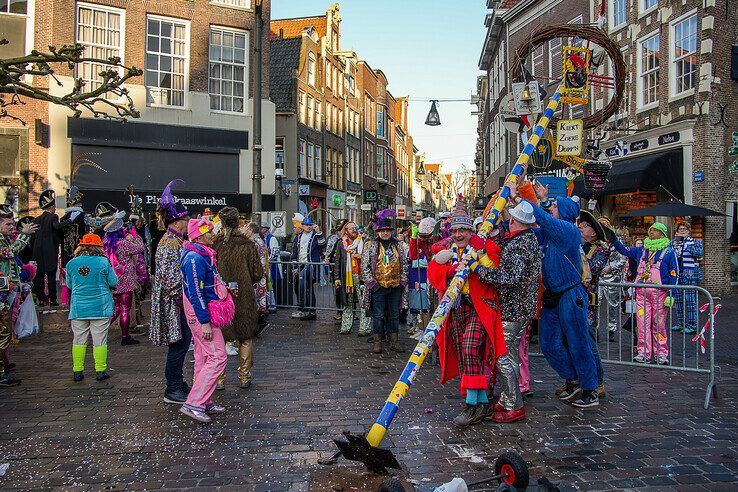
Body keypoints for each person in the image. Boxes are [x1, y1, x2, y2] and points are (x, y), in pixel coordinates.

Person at [515, 180, 601, 409]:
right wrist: (511, 217)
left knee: (578, 341)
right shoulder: (554, 233)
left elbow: (541, 219)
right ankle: (574, 379)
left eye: (555, 206)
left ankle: (590, 389)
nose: (551, 207)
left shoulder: (568, 230)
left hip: (571, 295)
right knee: (549, 343)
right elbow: (534, 229)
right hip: (554, 295)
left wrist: (517, 198)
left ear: (563, 212)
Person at [427, 203, 506, 427]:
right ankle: (480, 402)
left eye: (463, 230)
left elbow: (495, 272)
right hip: (455, 308)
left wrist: (478, 260)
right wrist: (451, 270)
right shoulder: (445, 250)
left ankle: (471, 405)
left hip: (478, 306)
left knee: (471, 347)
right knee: (463, 354)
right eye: (454, 231)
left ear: (471, 231)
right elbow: (433, 273)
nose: (458, 234)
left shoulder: (484, 246)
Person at [474, 201, 541, 423]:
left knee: (504, 356)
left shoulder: (520, 244)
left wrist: (477, 269)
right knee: (509, 354)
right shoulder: (525, 240)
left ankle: (514, 403)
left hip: (515, 308)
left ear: (513, 221)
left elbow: (508, 277)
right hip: (520, 306)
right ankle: (507, 397)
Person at [179, 218, 233, 423]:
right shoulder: (195, 258)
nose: (212, 234)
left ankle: (203, 399)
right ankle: (194, 402)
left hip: (204, 313)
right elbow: (195, 292)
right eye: (209, 231)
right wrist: (203, 321)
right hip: (202, 315)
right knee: (218, 356)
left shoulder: (201, 256)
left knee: (204, 357)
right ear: (199, 235)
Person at [149, 179, 191, 404]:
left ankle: (177, 382)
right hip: (173, 304)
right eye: (185, 220)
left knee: (181, 343)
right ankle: (172, 386)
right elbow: (170, 278)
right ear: (177, 221)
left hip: (176, 301)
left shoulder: (176, 241)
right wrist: (184, 299)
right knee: (178, 344)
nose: (188, 224)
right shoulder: (169, 243)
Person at [213, 207, 263, 390]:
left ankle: (219, 378)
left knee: (219, 337)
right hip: (243, 295)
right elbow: (257, 273)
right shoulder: (248, 245)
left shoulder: (215, 244)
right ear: (238, 223)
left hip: (220, 296)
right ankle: (244, 376)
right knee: (245, 336)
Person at [614, 222, 678, 364]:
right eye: (651, 230)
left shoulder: (668, 252)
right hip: (642, 293)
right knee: (642, 324)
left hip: (660, 294)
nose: (651, 232)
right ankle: (643, 352)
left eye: (655, 230)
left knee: (659, 324)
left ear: (662, 234)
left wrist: (671, 294)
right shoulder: (641, 250)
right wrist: (613, 239)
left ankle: (661, 353)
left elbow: (674, 274)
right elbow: (625, 250)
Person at [66, 233, 118, 382]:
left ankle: (77, 371)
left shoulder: (71, 263)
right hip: (100, 307)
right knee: (100, 340)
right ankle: (100, 371)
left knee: (78, 340)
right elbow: (113, 281)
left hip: (78, 308)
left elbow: (70, 285)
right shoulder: (103, 262)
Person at [0, 205, 37, 386]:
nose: (12, 226)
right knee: (2, 332)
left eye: (12, 223)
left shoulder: (4, 240)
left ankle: (3, 366)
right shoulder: (1, 242)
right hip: (1, 295)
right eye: (8, 224)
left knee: (5, 331)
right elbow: (10, 253)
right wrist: (24, 234)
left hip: (8, 292)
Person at [361, 209, 407, 354]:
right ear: (378, 232)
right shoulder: (370, 245)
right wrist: (372, 284)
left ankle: (394, 342)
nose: (385, 233)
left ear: (391, 231)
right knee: (378, 315)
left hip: (395, 287)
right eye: (382, 230)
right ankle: (377, 342)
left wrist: (402, 282)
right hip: (378, 287)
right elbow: (364, 266)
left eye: (388, 230)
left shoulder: (398, 245)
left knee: (394, 314)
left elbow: (405, 264)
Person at [578, 210, 609, 396]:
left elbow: (594, 268)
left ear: (594, 232)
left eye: (585, 226)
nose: (581, 229)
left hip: (588, 302)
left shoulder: (601, 248)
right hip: (575, 298)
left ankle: (598, 381)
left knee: (589, 343)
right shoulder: (579, 245)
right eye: (580, 226)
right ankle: (575, 380)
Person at [103, 213, 144, 346]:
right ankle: (125, 336)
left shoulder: (107, 245)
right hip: (126, 280)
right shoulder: (124, 243)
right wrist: (135, 236)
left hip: (113, 280)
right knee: (125, 308)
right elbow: (140, 248)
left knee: (116, 308)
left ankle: (101, 329)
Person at [32, 189, 71, 306]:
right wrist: (69, 221)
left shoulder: (36, 219)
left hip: (37, 251)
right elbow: (56, 226)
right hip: (49, 251)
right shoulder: (53, 217)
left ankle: (41, 300)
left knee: (38, 277)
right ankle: (53, 300)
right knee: (51, 276)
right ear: (52, 207)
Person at [330, 221, 370, 335]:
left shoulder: (363, 241)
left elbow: (370, 258)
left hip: (361, 276)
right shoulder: (341, 243)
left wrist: (361, 256)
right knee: (347, 302)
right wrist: (336, 277)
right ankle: (346, 326)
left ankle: (364, 328)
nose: (354, 230)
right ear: (346, 231)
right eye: (351, 228)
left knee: (364, 302)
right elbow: (337, 261)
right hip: (347, 277)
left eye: (355, 227)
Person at [290, 217, 326, 320]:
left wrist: (319, 232)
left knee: (302, 279)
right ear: (302, 226)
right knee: (309, 288)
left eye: (310, 225)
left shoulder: (315, 236)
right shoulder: (298, 237)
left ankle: (302, 303)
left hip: (311, 265)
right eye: (306, 225)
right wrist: (294, 267)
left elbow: (323, 245)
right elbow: (295, 252)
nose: (309, 227)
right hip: (300, 265)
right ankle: (312, 312)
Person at [407, 217, 437, 340]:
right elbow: (413, 255)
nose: (425, 239)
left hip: (436, 277)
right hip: (426, 278)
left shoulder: (439, 240)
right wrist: (414, 239)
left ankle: (431, 331)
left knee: (432, 307)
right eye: (422, 236)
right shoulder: (421, 242)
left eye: (427, 236)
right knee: (424, 305)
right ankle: (424, 329)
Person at [598, 217, 627, 341]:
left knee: (612, 305)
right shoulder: (595, 241)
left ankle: (611, 329)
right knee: (594, 304)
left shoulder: (617, 241)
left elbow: (623, 258)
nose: (603, 226)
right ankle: (595, 329)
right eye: (600, 224)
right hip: (597, 277)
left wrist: (611, 267)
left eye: (606, 224)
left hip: (613, 277)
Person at [670, 220, 703, 334]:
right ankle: (681, 323)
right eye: (680, 229)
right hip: (678, 273)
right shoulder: (673, 242)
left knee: (689, 300)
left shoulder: (694, 242)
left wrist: (685, 245)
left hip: (689, 273)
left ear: (688, 231)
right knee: (678, 300)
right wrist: (675, 246)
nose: (682, 231)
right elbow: (670, 255)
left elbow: (699, 254)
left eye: (684, 229)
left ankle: (692, 325)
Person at [60, 186, 87, 307]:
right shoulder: (81, 217)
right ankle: (76, 303)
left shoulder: (63, 219)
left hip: (68, 258)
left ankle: (71, 302)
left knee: (69, 281)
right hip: (79, 256)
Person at [261, 220, 280, 314]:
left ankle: (272, 305)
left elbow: (275, 252)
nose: (261, 229)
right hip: (265, 267)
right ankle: (268, 304)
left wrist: (268, 263)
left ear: (265, 229)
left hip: (269, 267)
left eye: (262, 228)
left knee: (269, 287)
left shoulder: (271, 238)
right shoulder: (263, 238)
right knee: (267, 287)